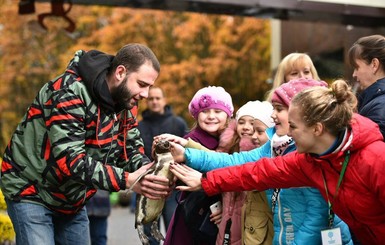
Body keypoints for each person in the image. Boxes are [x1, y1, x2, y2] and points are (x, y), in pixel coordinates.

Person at [170, 79, 385, 244]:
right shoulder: (308, 160)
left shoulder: (375, 159)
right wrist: (202, 175)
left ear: (317, 129)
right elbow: (257, 172)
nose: (286, 132)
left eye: (294, 127)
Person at [0, 44, 172, 245]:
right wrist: (128, 180)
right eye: (142, 84)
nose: (146, 94)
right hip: (31, 190)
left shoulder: (126, 103)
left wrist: (152, 174)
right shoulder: (69, 92)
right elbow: (71, 160)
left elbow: (130, 150)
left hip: (72, 199)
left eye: (150, 86)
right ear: (120, 72)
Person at [164, 86, 234, 245]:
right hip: (195, 214)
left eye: (217, 111)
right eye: (205, 111)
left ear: (228, 114)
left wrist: (227, 205)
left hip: (225, 215)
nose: (211, 116)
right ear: (196, 115)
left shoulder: (234, 141)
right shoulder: (190, 142)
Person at [215, 100, 275, 245]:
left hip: (252, 224)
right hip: (227, 222)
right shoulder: (229, 149)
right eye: (242, 122)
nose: (247, 127)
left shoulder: (263, 156)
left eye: (253, 124)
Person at [137, 86, 188, 245]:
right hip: (147, 185)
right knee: (148, 234)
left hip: (172, 188)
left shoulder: (178, 123)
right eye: (151, 98)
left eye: (158, 98)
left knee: (174, 229)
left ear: (164, 100)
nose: (154, 101)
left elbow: (187, 153)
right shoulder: (139, 126)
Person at [348, 34, 385, 139]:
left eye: (356, 67)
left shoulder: (379, 108)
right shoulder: (375, 102)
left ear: (374, 64)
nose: (354, 74)